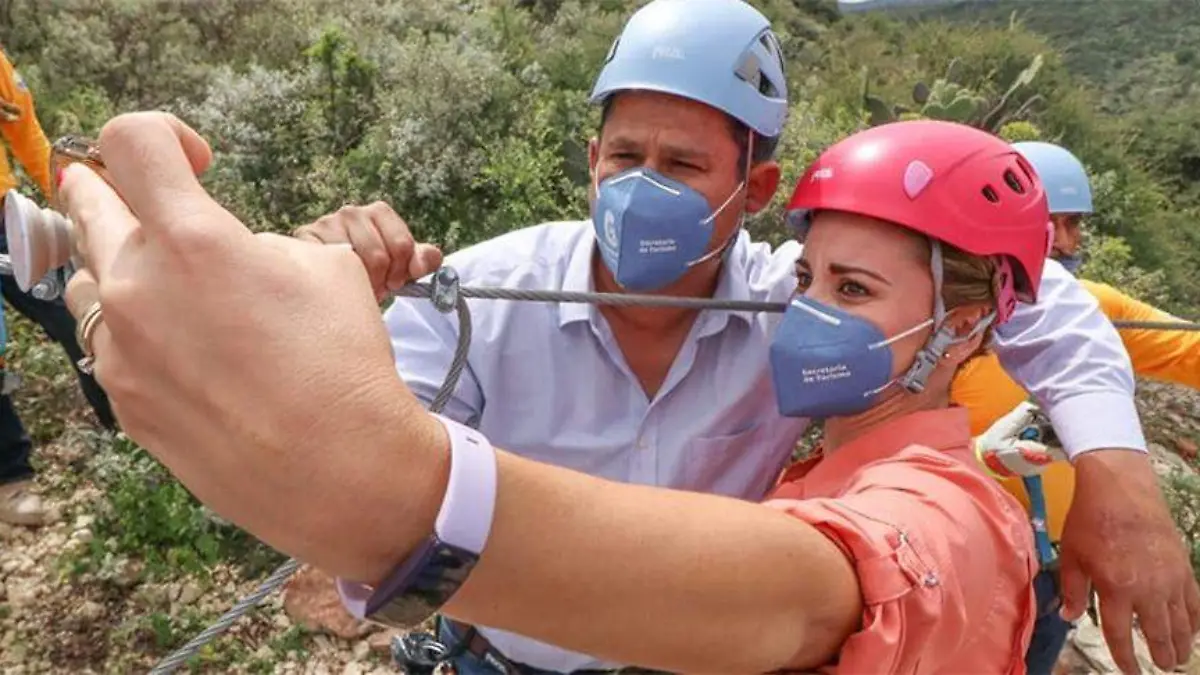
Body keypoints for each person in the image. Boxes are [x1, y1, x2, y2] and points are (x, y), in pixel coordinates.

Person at [292, 2, 1197, 672]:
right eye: (624, 157)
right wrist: (314, 306)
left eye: (683, 165)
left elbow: (1032, 299)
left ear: (755, 191)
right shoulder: (480, 296)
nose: (643, 186)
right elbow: (362, 469)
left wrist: (1119, 479)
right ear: (591, 158)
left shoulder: (791, 301)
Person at [63, 111, 1062, 671]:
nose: (803, 310)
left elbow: (814, 597)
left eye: (854, 291)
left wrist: (386, 499)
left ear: (967, 321)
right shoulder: (830, 443)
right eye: (806, 279)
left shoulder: (949, 508)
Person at [951, 139, 1200, 674]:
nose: (1064, 242)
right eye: (1051, 224)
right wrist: (977, 457)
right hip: (963, 555)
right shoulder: (952, 318)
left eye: (1074, 224)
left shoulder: (1092, 310)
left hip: (1057, 566)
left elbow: (1190, 350)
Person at [0, 44, 116, 527]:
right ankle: (11, 480)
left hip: (4, 220)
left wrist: (68, 193)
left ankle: (130, 435)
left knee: (78, 314)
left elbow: (25, 131)